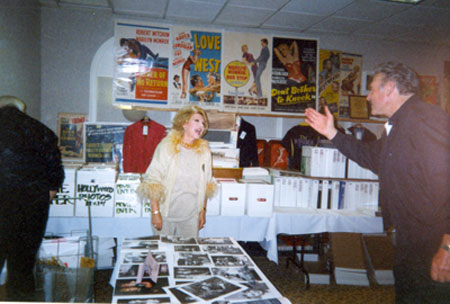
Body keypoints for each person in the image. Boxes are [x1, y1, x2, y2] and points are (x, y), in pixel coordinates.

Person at [305, 62, 450, 303]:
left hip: (433, 240)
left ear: (390, 88)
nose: (368, 96)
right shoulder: (399, 124)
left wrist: (447, 247)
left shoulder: (427, 119)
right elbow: (372, 158)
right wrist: (332, 134)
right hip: (411, 239)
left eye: (372, 89)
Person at [0, 96, 65, 301]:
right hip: (31, 204)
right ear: (22, 109)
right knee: (23, 264)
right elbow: (55, 173)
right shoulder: (41, 131)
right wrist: (45, 194)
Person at [137, 106, 216, 238]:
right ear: (184, 123)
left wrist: (202, 211)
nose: (201, 126)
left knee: (188, 256)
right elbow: (152, 181)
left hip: (191, 217)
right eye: (196, 121)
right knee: (163, 255)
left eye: (203, 123)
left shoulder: (204, 152)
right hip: (165, 215)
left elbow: (207, 185)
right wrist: (155, 212)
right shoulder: (167, 146)